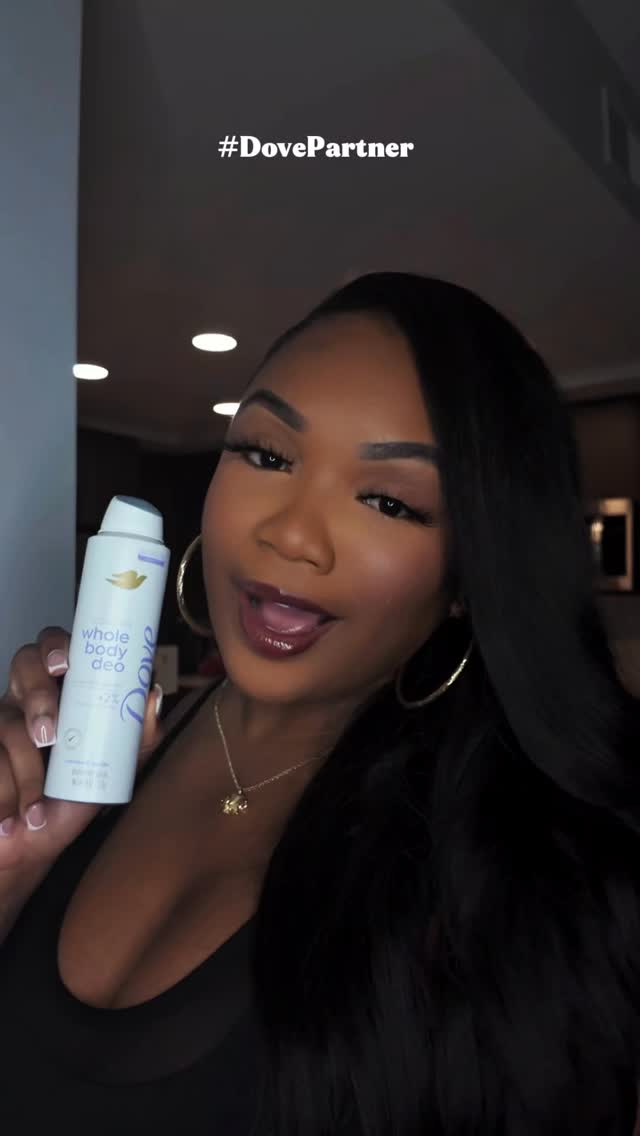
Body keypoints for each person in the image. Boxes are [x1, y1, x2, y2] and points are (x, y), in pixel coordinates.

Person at [0, 271, 639, 1134]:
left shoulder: (521, 893)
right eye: (267, 455)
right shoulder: (96, 752)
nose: (290, 534)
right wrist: (14, 870)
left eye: (388, 501)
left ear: (469, 575)